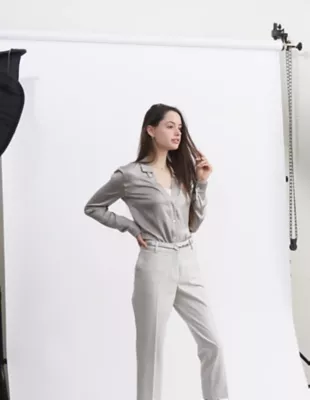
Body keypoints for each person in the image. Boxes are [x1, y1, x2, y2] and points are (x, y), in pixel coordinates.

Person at [84, 103, 228, 400]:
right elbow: (93, 207)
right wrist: (131, 227)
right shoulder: (129, 175)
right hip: (155, 263)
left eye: (180, 127)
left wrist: (201, 184)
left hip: (187, 260)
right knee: (150, 353)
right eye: (170, 126)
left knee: (212, 344)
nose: (178, 132)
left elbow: (194, 223)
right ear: (151, 130)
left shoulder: (181, 172)